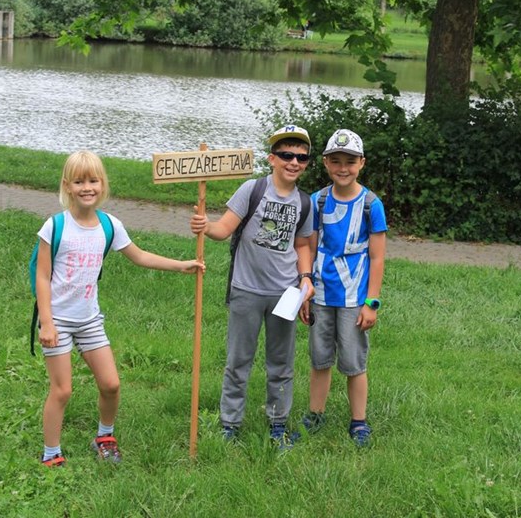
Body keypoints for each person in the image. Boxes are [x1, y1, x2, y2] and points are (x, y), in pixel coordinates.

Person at [35, 150, 204, 467]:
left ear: (103, 184)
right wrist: (46, 322)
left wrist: (180, 265)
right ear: (67, 186)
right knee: (62, 390)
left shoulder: (109, 225)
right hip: (57, 320)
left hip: (89, 320)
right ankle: (51, 453)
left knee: (111, 384)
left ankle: (104, 437)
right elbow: (42, 277)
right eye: (79, 182)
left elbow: (139, 256)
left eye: (93, 181)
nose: (87, 188)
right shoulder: (55, 226)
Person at [189, 125, 315, 449]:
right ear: (272, 158)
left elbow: (302, 245)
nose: (294, 162)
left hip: (285, 294)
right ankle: (230, 425)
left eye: (301, 157)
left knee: (281, 364)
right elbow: (223, 229)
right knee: (238, 361)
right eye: (286, 155)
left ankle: (277, 424)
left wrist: (306, 277)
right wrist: (206, 226)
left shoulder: (304, 202)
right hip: (246, 289)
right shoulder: (253, 189)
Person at [299, 129, 387, 447]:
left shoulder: (371, 205)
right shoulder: (317, 201)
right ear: (325, 163)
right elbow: (309, 248)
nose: (343, 168)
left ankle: (358, 421)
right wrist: (305, 291)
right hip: (321, 295)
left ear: (361, 163)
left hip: (353, 299)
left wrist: (371, 302)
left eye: (350, 161)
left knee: (353, 363)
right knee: (320, 359)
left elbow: (377, 257)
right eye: (335, 161)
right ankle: (315, 414)